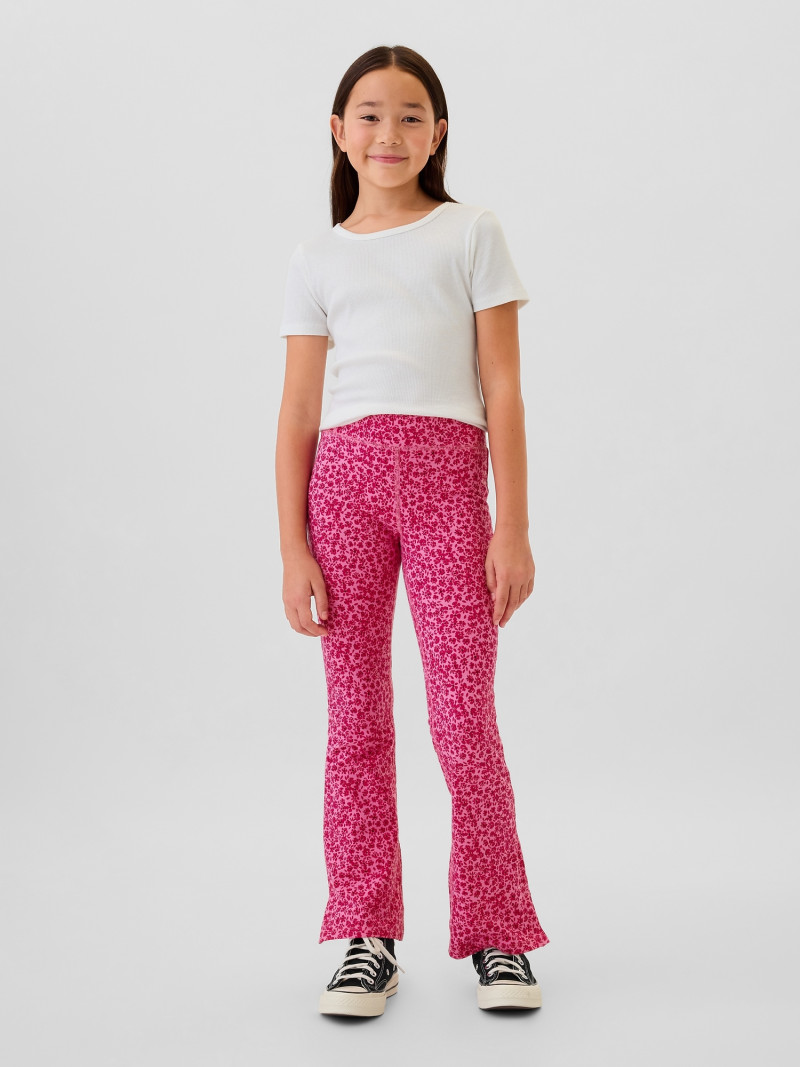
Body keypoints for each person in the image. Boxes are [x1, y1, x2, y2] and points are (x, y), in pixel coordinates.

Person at [275, 44, 550, 1018]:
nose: (387, 133)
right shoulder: (316, 256)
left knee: (462, 715)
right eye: (369, 114)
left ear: (437, 133)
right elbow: (298, 410)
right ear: (337, 130)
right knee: (353, 719)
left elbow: (503, 386)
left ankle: (498, 932)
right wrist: (292, 547)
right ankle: (365, 935)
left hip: (447, 484)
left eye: (408, 115)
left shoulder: (470, 232)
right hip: (343, 487)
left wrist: (511, 526)